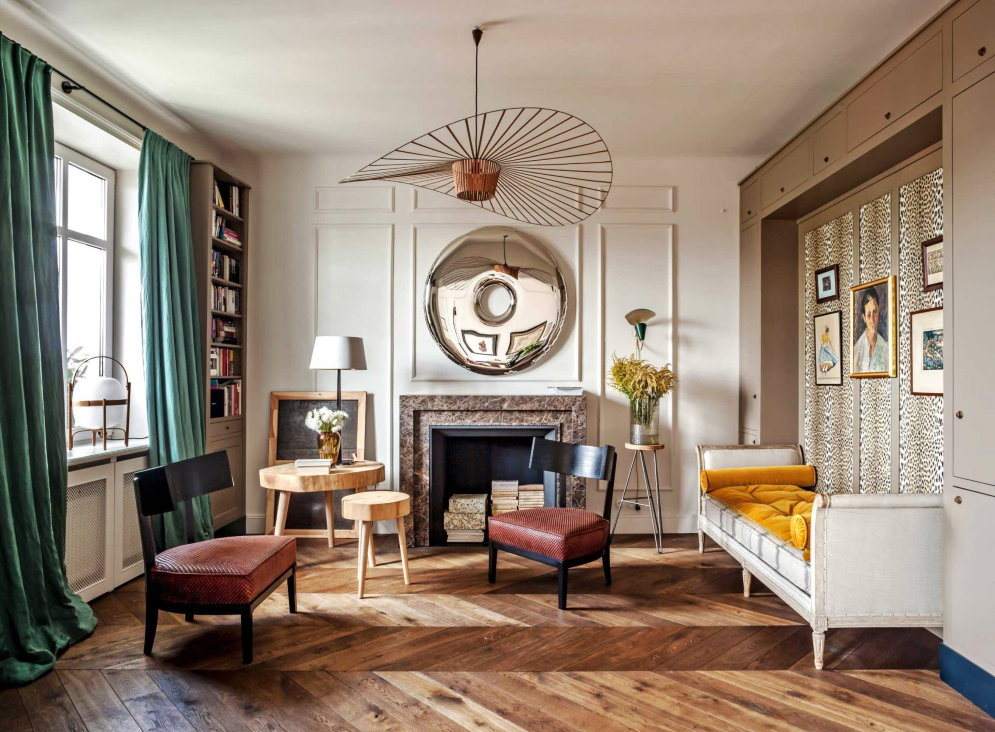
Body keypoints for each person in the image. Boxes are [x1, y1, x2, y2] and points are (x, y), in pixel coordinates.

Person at [853, 287, 889, 373]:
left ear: (879, 310)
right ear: (864, 317)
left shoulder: (886, 348)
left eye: (875, 312)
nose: (872, 319)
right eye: (869, 315)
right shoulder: (856, 350)